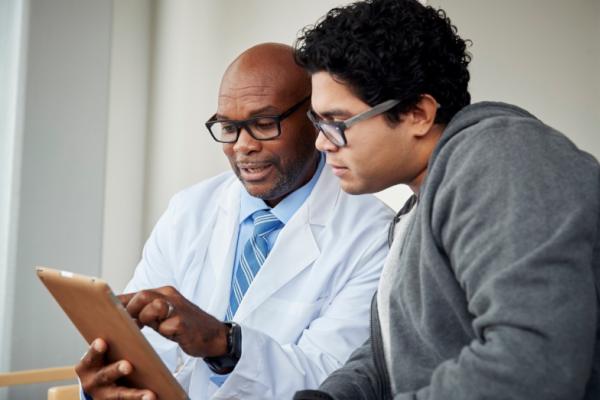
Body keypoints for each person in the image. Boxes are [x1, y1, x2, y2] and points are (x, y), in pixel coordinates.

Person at [292, 0, 600, 399]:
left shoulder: (502, 160)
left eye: (337, 123)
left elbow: (532, 364)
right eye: (318, 123)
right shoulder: (421, 202)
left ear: (418, 113)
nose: (321, 143)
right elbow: (395, 348)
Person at [75, 43, 394, 400]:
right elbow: (144, 348)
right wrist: (110, 382)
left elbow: (332, 379)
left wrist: (222, 343)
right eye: (229, 127)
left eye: (262, 124)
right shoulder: (190, 210)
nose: (242, 146)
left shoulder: (373, 236)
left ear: (314, 119)